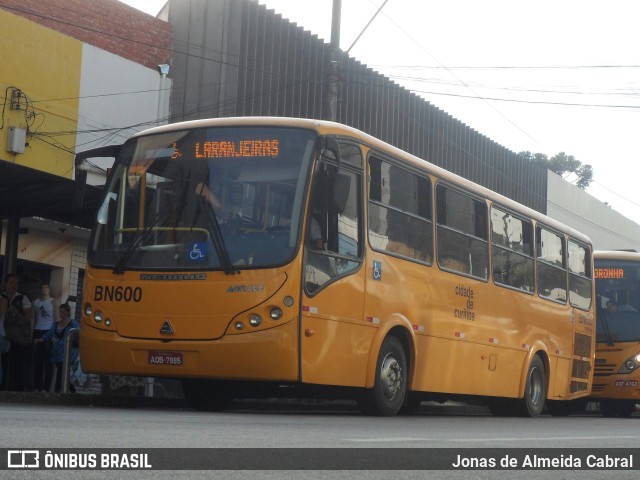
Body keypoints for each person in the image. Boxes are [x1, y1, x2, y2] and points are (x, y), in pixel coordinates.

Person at [34, 303, 79, 393]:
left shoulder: (73, 323)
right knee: (62, 372)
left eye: (63, 311)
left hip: (68, 351)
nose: (61, 313)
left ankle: (57, 391)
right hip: (57, 352)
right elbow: (49, 334)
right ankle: (72, 391)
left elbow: (77, 334)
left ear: (68, 312)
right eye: (60, 311)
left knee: (61, 371)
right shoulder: (56, 324)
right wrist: (40, 340)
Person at [0, 273, 34, 392]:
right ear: (5, 284)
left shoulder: (22, 298)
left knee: (16, 364)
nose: (14, 285)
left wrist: (15, 317)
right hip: (3, 335)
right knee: (4, 363)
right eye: (11, 282)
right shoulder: (2, 297)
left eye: (16, 283)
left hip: (17, 337)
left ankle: (15, 389)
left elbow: (28, 315)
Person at [32, 283, 58, 392]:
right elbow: (34, 318)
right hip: (38, 330)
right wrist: (31, 333)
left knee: (48, 361)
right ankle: (37, 386)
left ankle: (46, 388)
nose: (44, 289)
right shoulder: (36, 302)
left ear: (49, 289)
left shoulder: (53, 301)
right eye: (42, 287)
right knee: (38, 361)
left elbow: (56, 319)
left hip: (49, 330)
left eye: (46, 287)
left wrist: (55, 334)